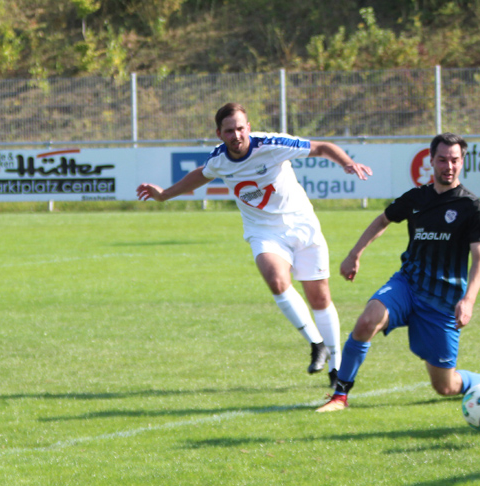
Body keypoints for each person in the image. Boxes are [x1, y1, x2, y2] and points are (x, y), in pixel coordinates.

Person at [136, 102, 373, 386]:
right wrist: (163, 195)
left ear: (248, 127)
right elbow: (200, 174)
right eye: (229, 131)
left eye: (240, 128)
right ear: (219, 133)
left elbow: (321, 147)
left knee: (319, 298)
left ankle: (336, 367)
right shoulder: (220, 159)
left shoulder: (271, 144)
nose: (236, 135)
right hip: (263, 231)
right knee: (275, 279)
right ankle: (316, 343)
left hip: (302, 224)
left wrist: (347, 162)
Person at [316, 132, 480, 412]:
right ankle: (340, 395)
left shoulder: (473, 208)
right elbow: (383, 220)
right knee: (366, 322)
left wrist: (468, 300)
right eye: (442, 160)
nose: (449, 166)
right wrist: (354, 254)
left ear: (462, 161)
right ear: (431, 161)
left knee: (445, 386)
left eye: (454, 160)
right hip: (407, 286)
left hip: (443, 301)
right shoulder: (417, 198)